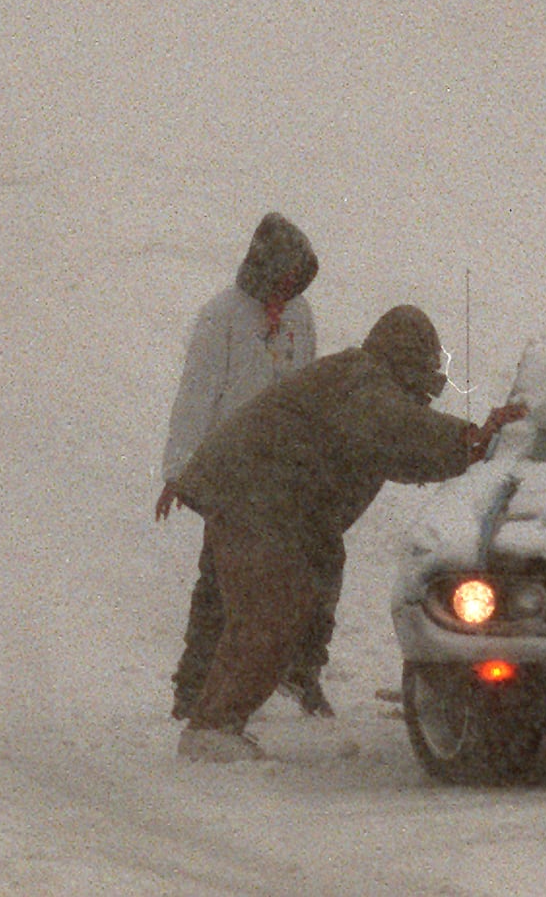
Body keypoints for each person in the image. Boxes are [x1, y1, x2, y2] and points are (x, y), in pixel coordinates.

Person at [169, 305, 526, 761]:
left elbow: (402, 453)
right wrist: (470, 440)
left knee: (284, 597)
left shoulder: (358, 384)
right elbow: (397, 431)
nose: (422, 396)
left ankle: (256, 697)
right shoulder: (362, 382)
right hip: (256, 498)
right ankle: (212, 727)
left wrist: (468, 448)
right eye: (420, 380)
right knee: (270, 608)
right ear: (406, 364)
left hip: (267, 501)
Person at [156, 212, 333, 719]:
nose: (288, 289)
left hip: (286, 472)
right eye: (282, 278)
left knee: (307, 571)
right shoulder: (221, 318)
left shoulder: (302, 317)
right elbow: (195, 397)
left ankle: (301, 674)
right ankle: (192, 688)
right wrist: (180, 471)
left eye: (296, 281)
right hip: (231, 473)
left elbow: (306, 390)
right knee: (219, 580)